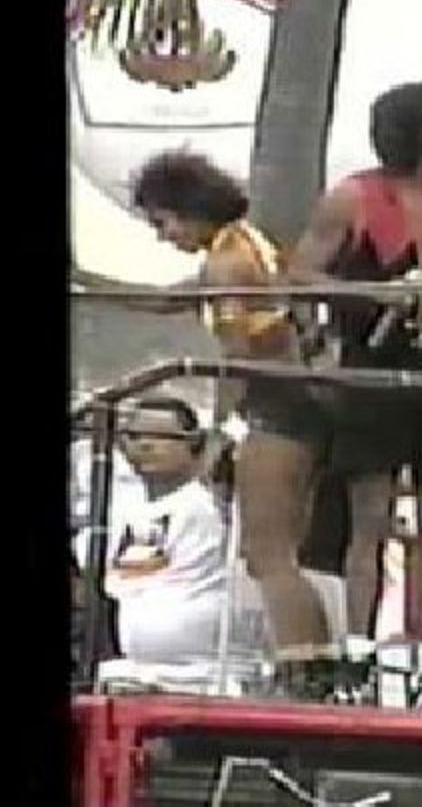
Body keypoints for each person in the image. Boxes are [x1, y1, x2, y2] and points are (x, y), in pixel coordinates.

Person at [72, 151, 336, 689]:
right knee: (273, 552)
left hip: (273, 406)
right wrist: (85, 279)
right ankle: (310, 665)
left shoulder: (228, 263)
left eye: (163, 222)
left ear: (189, 209)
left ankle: (309, 671)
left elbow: (236, 360)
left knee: (269, 554)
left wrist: (222, 434)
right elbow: (170, 301)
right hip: (287, 402)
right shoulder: (238, 244)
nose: (163, 236)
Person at [287, 81, 422, 647]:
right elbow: (300, 273)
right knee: (372, 518)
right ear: (415, 133)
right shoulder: (356, 197)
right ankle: (360, 649)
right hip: (376, 361)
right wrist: (372, 294)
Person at [73, 397, 227, 662]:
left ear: (193, 442)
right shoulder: (119, 508)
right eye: (134, 436)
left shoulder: (208, 506)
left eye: (160, 436)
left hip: (197, 661)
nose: (145, 444)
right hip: (126, 654)